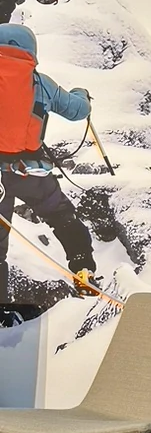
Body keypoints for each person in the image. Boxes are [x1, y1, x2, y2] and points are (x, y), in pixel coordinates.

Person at [0, 24, 98, 312]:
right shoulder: (41, 84)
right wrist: (82, 93)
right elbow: (77, 110)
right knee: (61, 215)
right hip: (29, 171)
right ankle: (83, 269)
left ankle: (1, 313)